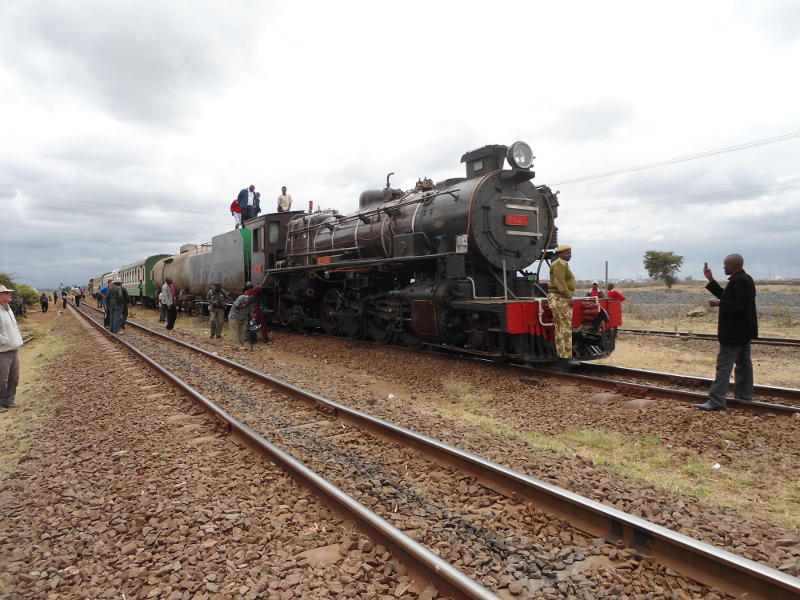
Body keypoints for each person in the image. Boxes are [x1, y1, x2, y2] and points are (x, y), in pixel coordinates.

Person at [695, 254, 758, 411]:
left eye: (726, 265)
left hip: (734, 332)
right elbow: (728, 296)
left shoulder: (742, 280)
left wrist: (720, 304)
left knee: (724, 365)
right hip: (742, 331)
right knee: (743, 365)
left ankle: (716, 401)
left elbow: (742, 304)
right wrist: (711, 280)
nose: (724, 267)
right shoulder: (740, 279)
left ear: (734, 265)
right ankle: (744, 398)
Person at [548, 244, 578, 365]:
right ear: (560, 254)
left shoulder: (562, 263)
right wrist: (569, 296)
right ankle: (564, 356)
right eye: (567, 253)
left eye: (570, 253)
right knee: (563, 327)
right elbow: (559, 283)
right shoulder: (558, 264)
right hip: (560, 298)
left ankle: (566, 355)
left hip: (561, 298)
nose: (569, 255)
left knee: (564, 326)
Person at [0, 284, 24, 413]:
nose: (9, 295)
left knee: (14, 377)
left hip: (13, 349)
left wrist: (17, 340)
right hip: (2, 351)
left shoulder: (8, 309)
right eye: (6, 293)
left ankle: (9, 400)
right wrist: (4, 341)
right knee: (1, 378)